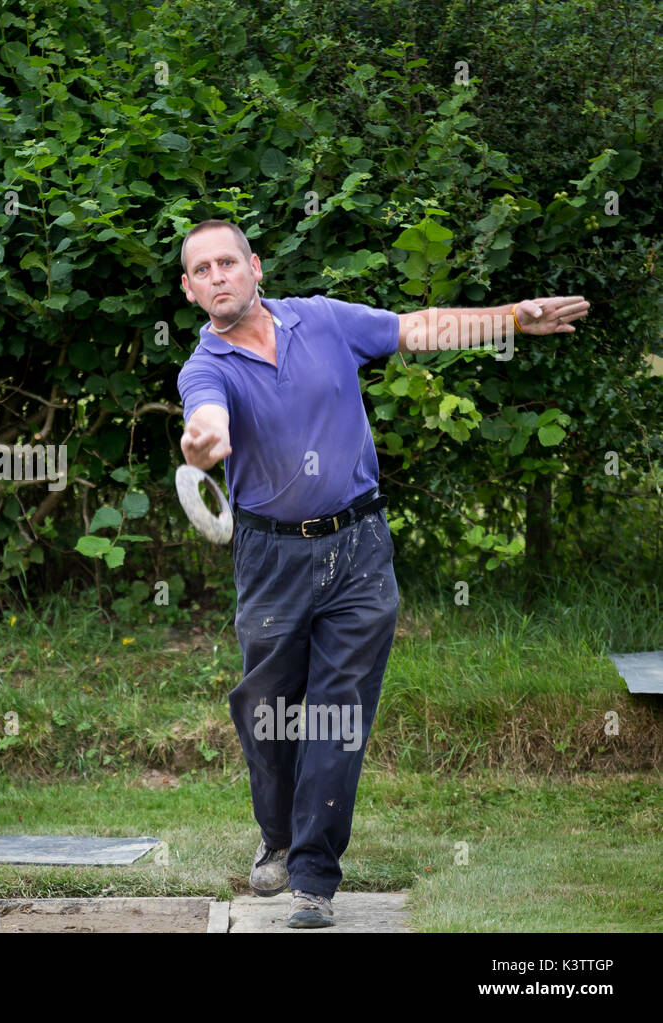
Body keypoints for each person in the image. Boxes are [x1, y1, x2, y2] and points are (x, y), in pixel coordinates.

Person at [175, 219, 588, 926]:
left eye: (227, 262)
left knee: (337, 715)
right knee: (266, 712)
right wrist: (204, 438)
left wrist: (513, 319)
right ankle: (276, 834)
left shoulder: (325, 321)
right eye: (202, 270)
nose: (217, 276)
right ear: (190, 291)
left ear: (256, 268)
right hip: (272, 558)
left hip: (360, 549)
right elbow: (206, 417)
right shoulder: (204, 368)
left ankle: (312, 878)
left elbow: (419, 329)